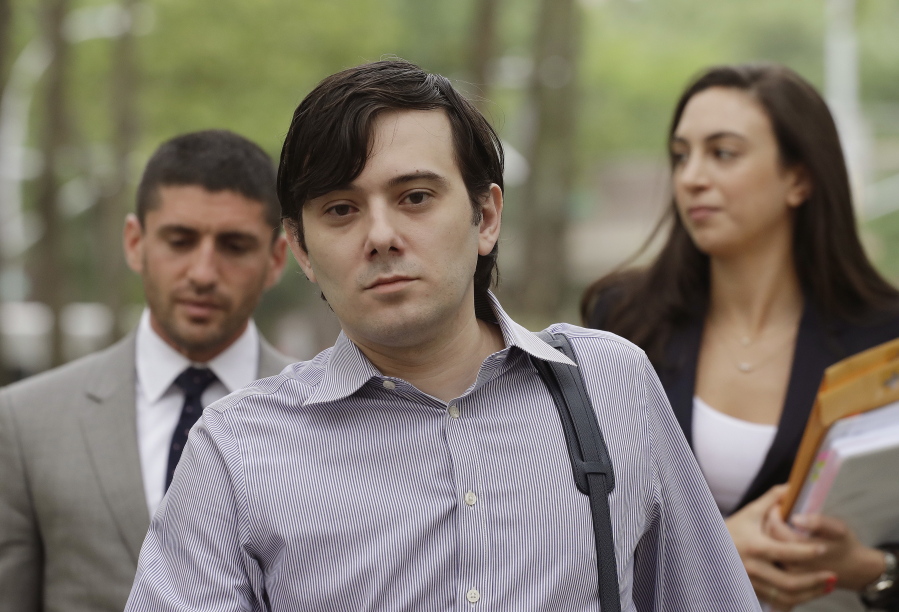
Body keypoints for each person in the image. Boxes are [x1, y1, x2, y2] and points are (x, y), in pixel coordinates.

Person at [124, 60, 759, 612]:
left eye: (416, 197)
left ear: (485, 216)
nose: (380, 235)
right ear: (302, 250)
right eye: (340, 209)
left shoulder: (608, 384)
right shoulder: (236, 451)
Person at [582, 63, 899, 611]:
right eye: (681, 156)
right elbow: (573, 524)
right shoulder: (623, 319)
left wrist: (873, 572)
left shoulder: (885, 334)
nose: (691, 177)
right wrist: (716, 550)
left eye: (722, 153)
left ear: (798, 178)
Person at [0, 129, 293, 612]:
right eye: (180, 240)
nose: (202, 271)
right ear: (135, 243)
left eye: (234, 245)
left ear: (276, 258)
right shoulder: (25, 422)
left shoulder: (329, 414)